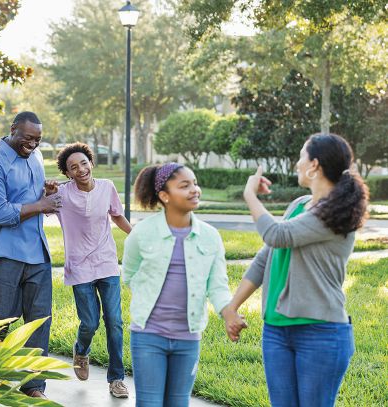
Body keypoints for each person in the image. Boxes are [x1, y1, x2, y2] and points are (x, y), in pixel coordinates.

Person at [224, 133, 369, 407]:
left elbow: (276, 235)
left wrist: (249, 195)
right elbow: (265, 258)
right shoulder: (300, 206)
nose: (297, 164)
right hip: (276, 330)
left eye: (302, 157)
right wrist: (232, 306)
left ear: (314, 165)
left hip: (320, 332)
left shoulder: (334, 214)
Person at [122, 162, 245, 407]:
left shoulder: (210, 236)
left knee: (178, 403)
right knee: (149, 403)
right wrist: (148, 297)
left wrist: (228, 312)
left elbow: (218, 285)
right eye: (185, 185)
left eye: (195, 183)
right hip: (148, 335)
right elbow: (130, 274)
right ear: (164, 196)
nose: (194, 190)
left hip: (188, 337)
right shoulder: (142, 233)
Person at [0, 111, 62, 399]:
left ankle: (34, 386)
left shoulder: (34, 158)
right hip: (4, 255)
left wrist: (43, 193)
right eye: (27, 138)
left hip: (37, 252)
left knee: (38, 321)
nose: (33, 144)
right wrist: (41, 205)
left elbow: (29, 198)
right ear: (12, 130)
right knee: (1, 320)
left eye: (38, 139)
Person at [47, 142, 132, 398]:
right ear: (68, 173)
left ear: (91, 163)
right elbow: (42, 207)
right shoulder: (62, 193)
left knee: (115, 322)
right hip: (79, 267)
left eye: (84, 163)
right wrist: (48, 194)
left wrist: (136, 236)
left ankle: (116, 378)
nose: (81, 169)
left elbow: (116, 216)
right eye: (74, 167)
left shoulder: (107, 187)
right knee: (90, 322)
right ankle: (81, 351)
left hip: (106, 262)